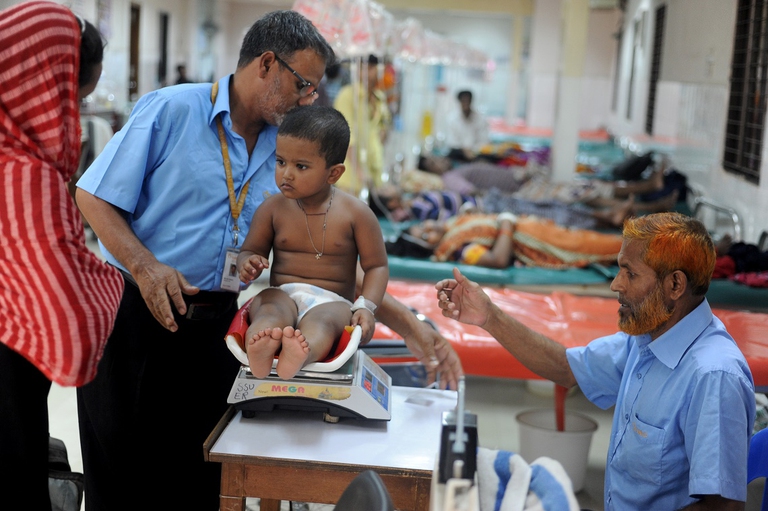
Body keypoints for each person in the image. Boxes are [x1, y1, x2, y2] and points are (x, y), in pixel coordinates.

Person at [75, 10, 461, 511]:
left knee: (201, 478)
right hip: (133, 314)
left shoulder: (290, 154)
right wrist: (146, 266)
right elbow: (94, 196)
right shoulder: (170, 112)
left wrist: (410, 325)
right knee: (125, 479)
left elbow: (331, 262)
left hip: (218, 328)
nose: (310, 99)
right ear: (266, 64)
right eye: (304, 84)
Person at [436, 212, 755, 510]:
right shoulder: (647, 339)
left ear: (675, 285)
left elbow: (722, 507)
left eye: (629, 273)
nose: (616, 284)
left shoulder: (714, 377)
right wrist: (489, 316)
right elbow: (566, 368)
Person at [0, 3, 123, 510]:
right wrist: (115, 284)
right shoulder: (25, 178)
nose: (68, 120)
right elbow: (68, 330)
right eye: (69, 99)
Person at [237, 105, 388, 379]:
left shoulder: (356, 214)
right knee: (269, 306)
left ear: (334, 173)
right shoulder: (272, 209)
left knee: (325, 323)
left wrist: (366, 306)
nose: (286, 174)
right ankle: (260, 344)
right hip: (283, 292)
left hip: (331, 300)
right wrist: (248, 262)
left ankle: (301, 354)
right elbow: (250, 250)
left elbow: (377, 266)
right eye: (281, 162)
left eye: (301, 166)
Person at [334, 54, 391, 195]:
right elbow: (345, 138)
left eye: (377, 68)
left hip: (374, 176)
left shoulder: (380, 97)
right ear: (358, 70)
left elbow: (382, 131)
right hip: (350, 180)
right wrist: (361, 173)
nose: (374, 72)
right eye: (369, 67)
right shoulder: (347, 96)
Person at [445, 90, 489, 164]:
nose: (465, 103)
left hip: (476, 154)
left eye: (467, 101)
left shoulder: (481, 119)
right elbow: (452, 142)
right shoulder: (452, 119)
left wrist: (473, 151)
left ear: (471, 101)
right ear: (459, 102)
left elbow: (484, 140)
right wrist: (465, 150)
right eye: (463, 101)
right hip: (459, 153)